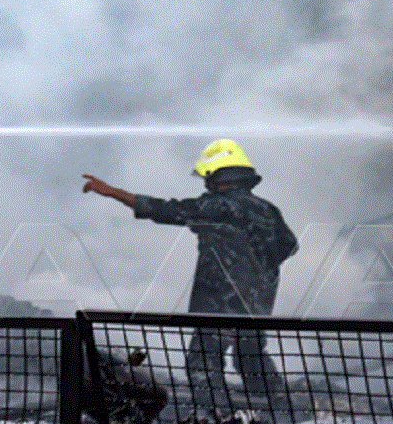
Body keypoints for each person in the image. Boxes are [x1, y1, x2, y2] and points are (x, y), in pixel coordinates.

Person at [82, 139, 298, 407]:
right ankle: (281, 410)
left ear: (217, 176)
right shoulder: (268, 210)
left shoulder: (219, 206)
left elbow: (166, 210)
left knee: (203, 361)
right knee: (249, 356)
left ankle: (218, 418)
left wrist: (112, 192)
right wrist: (257, 272)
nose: (206, 184)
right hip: (258, 303)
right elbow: (289, 245)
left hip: (220, 302)